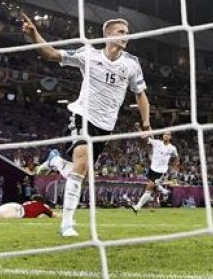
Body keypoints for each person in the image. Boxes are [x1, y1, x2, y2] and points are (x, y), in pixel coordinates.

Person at [24, 14, 151, 237]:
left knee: (82, 175)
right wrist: (35, 35)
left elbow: (140, 95)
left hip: (106, 127)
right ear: (108, 34)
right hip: (82, 115)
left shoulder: (132, 64)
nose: (126, 36)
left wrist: (146, 122)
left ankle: (55, 161)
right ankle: (66, 225)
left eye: (127, 32)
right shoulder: (88, 55)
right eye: (121, 31)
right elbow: (51, 54)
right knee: (81, 165)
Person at [130, 129, 179, 214]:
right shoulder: (157, 143)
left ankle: (137, 207)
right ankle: (163, 191)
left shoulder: (172, 148)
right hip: (152, 168)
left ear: (170, 137)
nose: (165, 135)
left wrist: (173, 167)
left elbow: (176, 157)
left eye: (167, 134)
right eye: (164, 134)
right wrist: (139, 130)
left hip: (160, 172)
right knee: (152, 186)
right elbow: (145, 138)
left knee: (149, 187)